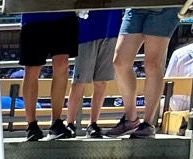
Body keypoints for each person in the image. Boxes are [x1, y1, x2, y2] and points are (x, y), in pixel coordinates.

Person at [109, 9, 181, 138]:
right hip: (137, 6)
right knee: (120, 61)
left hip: (164, 8)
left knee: (153, 64)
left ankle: (148, 123)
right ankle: (130, 119)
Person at [19, 12, 78, 141]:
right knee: (32, 68)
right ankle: (31, 125)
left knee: (62, 63)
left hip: (63, 13)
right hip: (33, 14)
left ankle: (56, 122)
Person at [63, 10, 122, 139]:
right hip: (87, 31)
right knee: (80, 81)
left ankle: (93, 123)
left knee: (101, 81)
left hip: (111, 29)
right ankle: (70, 123)